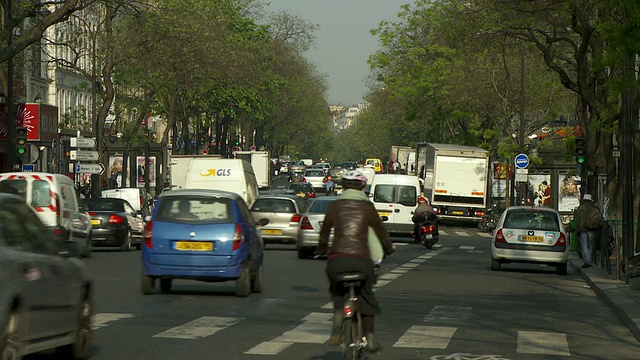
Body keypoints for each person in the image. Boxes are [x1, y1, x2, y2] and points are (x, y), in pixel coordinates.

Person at [316, 170, 395, 353]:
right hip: (361, 260)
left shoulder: (335, 206)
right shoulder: (367, 207)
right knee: (366, 295)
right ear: (363, 187)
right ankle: (370, 335)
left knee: (336, 287)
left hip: (338, 260)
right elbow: (380, 231)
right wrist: (389, 249)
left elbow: (324, 233)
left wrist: (322, 249)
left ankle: (338, 312)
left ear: (343, 187)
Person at [573, 193, 604, 268]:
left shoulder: (580, 208)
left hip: (582, 229)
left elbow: (576, 220)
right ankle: (589, 260)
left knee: (584, 246)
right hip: (591, 228)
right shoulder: (593, 208)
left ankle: (587, 261)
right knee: (590, 246)